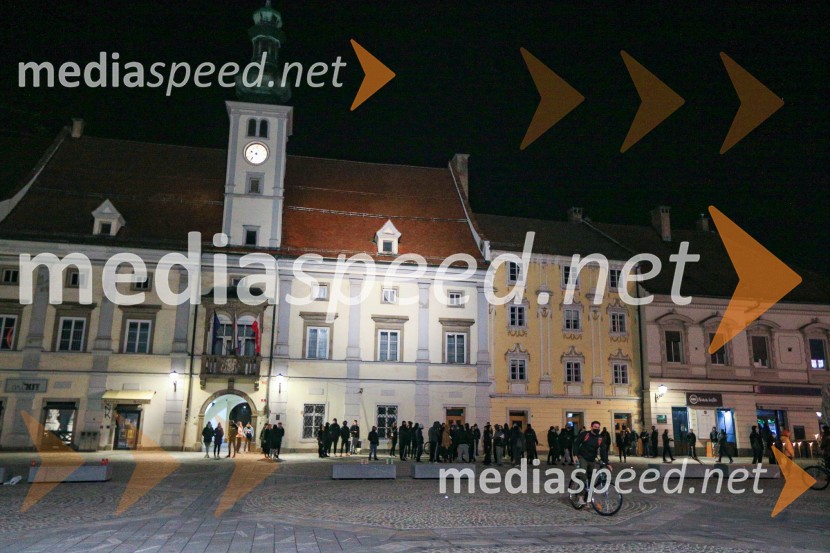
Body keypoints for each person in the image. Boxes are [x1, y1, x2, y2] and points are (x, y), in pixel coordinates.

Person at [573, 421, 612, 507]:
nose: (597, 429)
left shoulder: (600, 438)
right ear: (591, 427)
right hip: (583, 457)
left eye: (598, 427)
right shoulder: (585, 434)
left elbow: (603, 451)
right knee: (583, 475)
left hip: (592, 459)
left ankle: (588, 498)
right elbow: (576, 443)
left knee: (594, 478)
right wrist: (575, 455)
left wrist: (607, 463)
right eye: (595, 427)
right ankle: (580, 496)